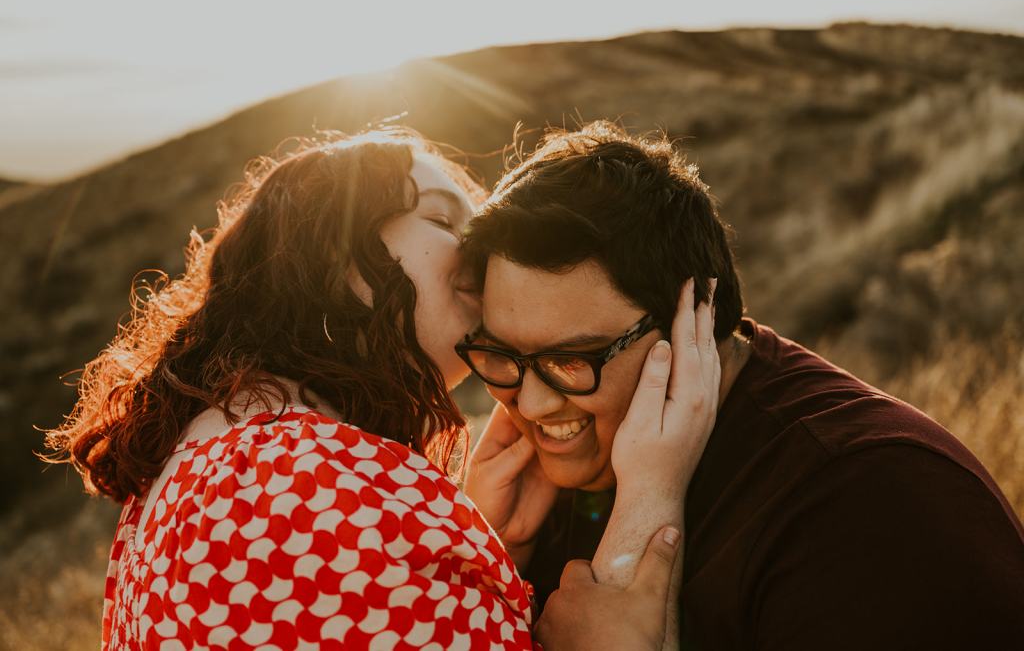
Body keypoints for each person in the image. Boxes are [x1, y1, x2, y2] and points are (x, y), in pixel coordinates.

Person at [47, 127, 720, 650]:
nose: (476, 255)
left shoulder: (225, 460)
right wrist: (653, 497)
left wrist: (486, 558)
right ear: (331, 254)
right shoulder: (318, 488)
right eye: (439, 219)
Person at [458, 121, 1024, 650]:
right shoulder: (534, 489)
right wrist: (492, 563)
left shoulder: (875, 507)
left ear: (694, 318)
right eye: (500, 353)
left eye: (570, 359)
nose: (528, 404)